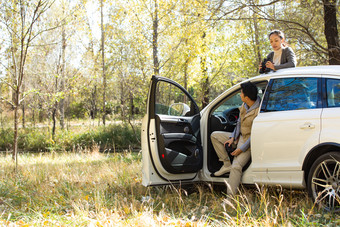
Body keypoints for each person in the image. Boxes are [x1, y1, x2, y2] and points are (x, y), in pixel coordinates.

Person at [210, 81, 261, 195]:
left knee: (236, 167)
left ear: (247, 97)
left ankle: (230, 198)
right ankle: (226, 164)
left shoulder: (259, 110)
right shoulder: (245, 105)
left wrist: (241, 149)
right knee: (215, 136)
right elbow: (239, 123)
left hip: (249, 142)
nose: (240, 95)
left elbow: (255, 135)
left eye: (241, 93)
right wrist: (233, 137)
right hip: (240, 137)